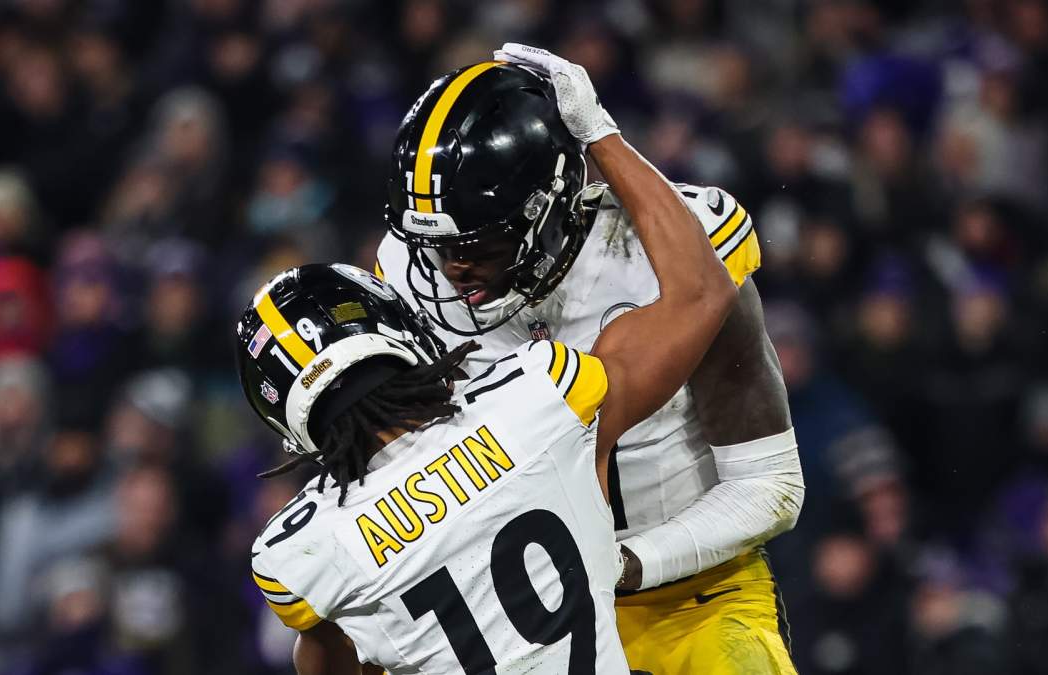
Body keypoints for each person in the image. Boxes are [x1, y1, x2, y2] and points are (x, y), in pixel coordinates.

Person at [237, 85, 739, 672]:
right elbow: (701, 291)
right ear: (400, 331)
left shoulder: (299, 551)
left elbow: (330, 655)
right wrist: (602, 135)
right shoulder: (538, 398)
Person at [375, 44, 803, 673]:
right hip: (527, 612)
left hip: (694, 598)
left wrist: (620, 566)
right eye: (437, 247)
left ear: (548, 206)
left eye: (479, 244)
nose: (452, 268)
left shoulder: (674, 257)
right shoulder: (410, 275)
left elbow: (770, 485)